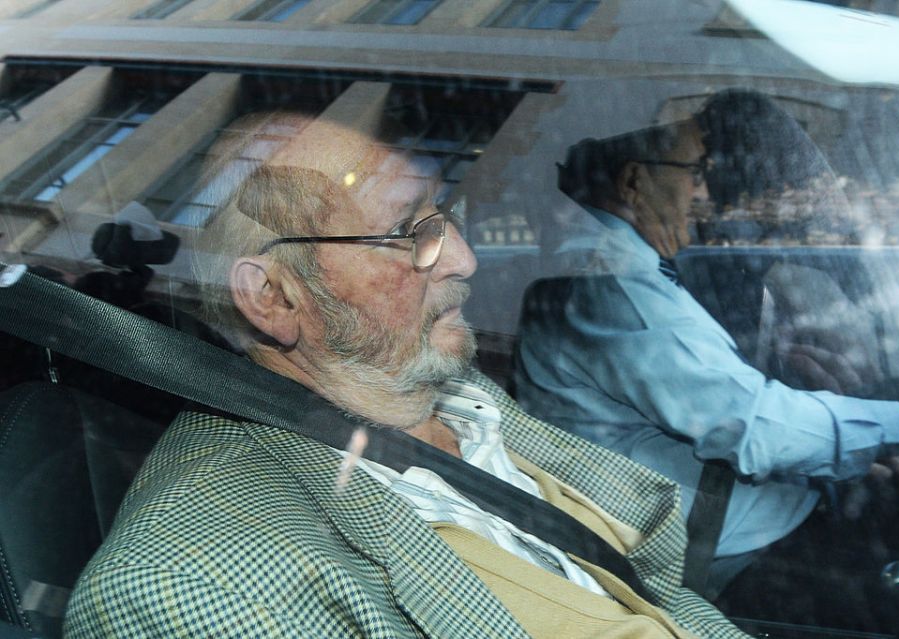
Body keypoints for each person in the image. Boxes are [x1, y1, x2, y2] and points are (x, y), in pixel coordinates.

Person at [63, 110, 748, 638]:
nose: (464, 260)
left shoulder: (451, 395)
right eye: (406, 233)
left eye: (442, 216)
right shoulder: (191, 586)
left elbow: (656, 594)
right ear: (274, 297)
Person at [513, 94, 899, 595]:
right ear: (635, 182)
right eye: (694, 171)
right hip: (721, 545)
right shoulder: (614, 288)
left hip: (721, 511)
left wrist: (853, 454)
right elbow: (754, 427)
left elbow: (711, 398)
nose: (705, 192)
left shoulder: (618, 270)